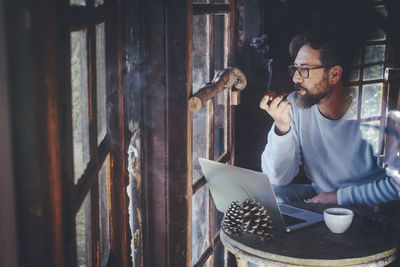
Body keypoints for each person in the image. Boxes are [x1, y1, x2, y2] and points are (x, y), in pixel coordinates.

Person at [259, 31, 399, 207]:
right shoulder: (295, 105)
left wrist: (340, 198)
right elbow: (277, 178)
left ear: (334, 75)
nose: (296, 78)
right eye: (295, 69)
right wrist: (282, 127)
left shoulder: (376, 111)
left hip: (368, 206)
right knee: (267, 195)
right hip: (320, 197)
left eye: (304, 69)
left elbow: (398, 183)